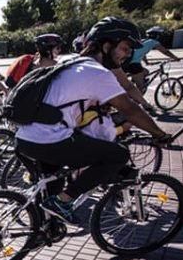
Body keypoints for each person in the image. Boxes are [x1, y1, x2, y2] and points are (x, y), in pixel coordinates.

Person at [14, 17, 172, 223]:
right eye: (125, 48)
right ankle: (63, 202)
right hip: (49, 140)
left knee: (52, 187)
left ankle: (41, 229)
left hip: (25, 138)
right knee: (117, 155)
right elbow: (130, 109)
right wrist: (159, 134)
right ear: (107, 45)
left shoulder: (72, 63)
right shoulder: (97, 72)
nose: (127, 55)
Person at [124, 26, 181, 92]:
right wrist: (176, 58)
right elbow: (165, 51)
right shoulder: (153, 42)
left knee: (146, 72)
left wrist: (146, 62)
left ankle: (135, 80)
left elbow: (143, 53)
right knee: (140, 86)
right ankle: (136, 101)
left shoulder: (143, 41)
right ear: (157, 36)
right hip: (134, 65)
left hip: (127, 62)